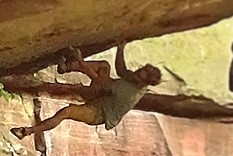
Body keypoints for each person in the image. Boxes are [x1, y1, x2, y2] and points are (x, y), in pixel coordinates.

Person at [11, 42, 162, 140]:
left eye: (139, 75)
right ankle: (67, 67)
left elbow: (101, 83)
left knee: (66, 112)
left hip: (98, 113)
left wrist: (82, 63)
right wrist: (120, 47)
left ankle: (27, 131)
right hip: (103, 96)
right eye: (139, 70)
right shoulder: (136, 79)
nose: (135, 74)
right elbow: (122, 71)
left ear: (143, 82)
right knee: (104, 66)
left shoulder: (130, 93)